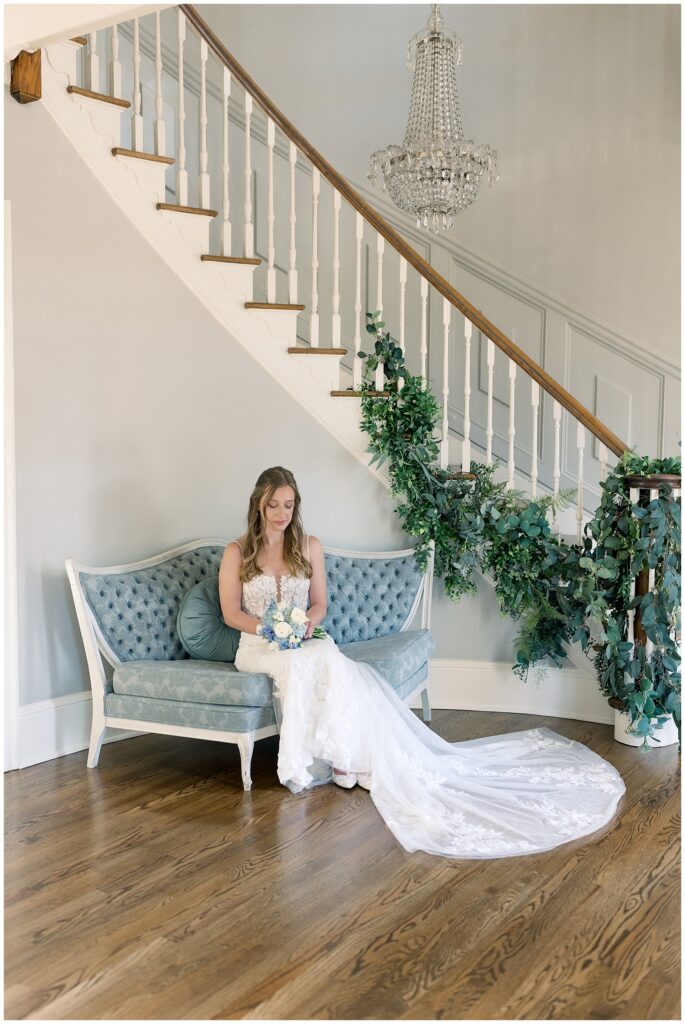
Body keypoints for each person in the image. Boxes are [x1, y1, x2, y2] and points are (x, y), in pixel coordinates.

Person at [219, 466, 626, 859]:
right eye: (274, 505)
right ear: (259, 505)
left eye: (289, 505)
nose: (282, 513)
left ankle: (347, 756)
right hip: (259, 646)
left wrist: (305, 624)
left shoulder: (309, 545)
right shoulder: (237, 552)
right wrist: (271, 630)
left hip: (303, 638)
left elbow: (320, 603)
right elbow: (231, 613)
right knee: (299, 664)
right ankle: (303, 763)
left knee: (326, 653)